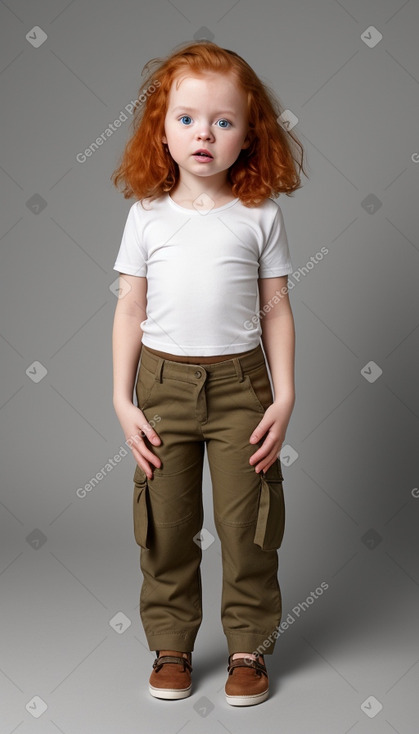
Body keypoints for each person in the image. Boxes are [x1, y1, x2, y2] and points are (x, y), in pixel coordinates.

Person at [111, 39, 307, 706]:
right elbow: (130, 309)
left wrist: (283, 396)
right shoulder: (145, 217)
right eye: (187, 118)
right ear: (160, 130)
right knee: (164, 527)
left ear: (248, 134)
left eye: (223, 121)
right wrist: (121, 398)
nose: (204, 134)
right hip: (161, 390)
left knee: (247, 525)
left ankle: (248, 648)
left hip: (240, 389)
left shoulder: (260, 216)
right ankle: (171, 645)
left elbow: (275, 310)